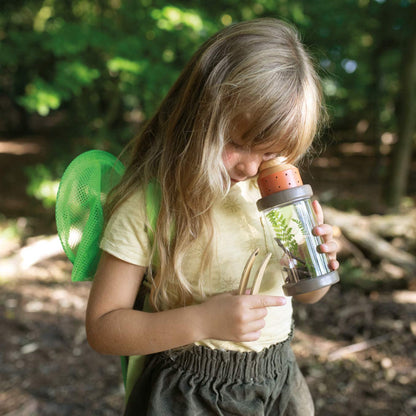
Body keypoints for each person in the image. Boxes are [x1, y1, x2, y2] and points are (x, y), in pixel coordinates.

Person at [85, 18, 339, 415]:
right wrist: (201, 322)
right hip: (189, 395)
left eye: (271, 153)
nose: (253, 168)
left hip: (278, 380)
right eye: (237, 143)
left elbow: (306, 294)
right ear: (196, 119)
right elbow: (103, 328)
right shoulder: (149, 205)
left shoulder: (273, 196)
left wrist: (316, 263)